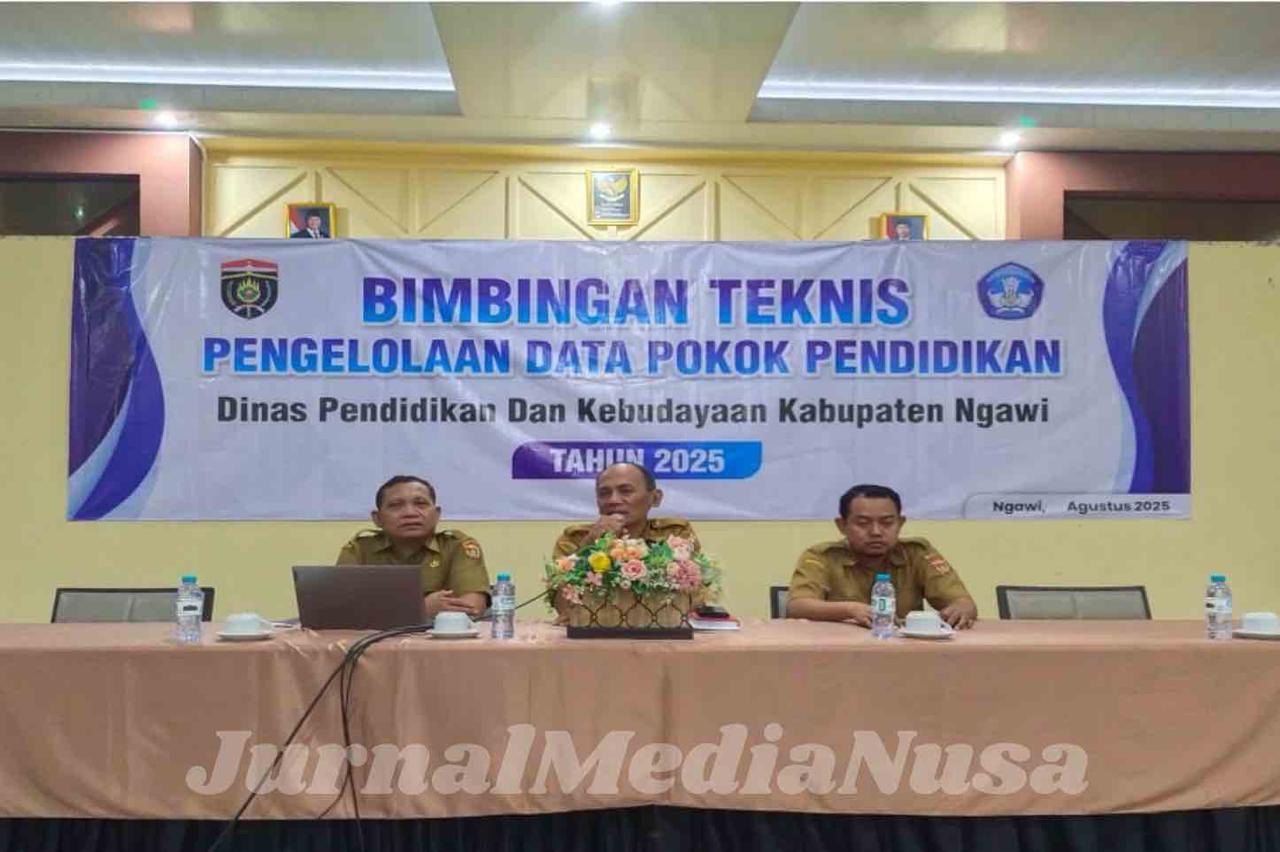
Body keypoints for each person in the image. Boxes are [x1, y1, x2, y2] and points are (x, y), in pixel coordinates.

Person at [786, 484, 977, 628]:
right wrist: (850, 610)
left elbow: (963, 602)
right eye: (863, 523)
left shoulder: (917, 553)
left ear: (900, 523)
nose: (876, 532)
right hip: (839, 651)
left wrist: (961, 609)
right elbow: (797, 607)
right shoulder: (822, 557)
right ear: (842, 525)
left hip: (904, 651)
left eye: (886, 523)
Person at [336, 475, 490, 619]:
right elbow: (342, 609)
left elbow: (472, 608)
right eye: (396, 506)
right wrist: (421, 608)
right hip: (373, 638)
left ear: (437, 515)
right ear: (377, 518)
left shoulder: (456, 546)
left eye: (421, 504)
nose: (410, 513)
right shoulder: (359, 550)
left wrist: (384, 610)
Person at [552, 462, 700, 556]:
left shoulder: (675, 534)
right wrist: (591, 544)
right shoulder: (574, 539)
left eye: (626, 491)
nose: (613, 500)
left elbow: (692, 588)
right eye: (604, 493)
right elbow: (559, 591)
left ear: (655, 498)